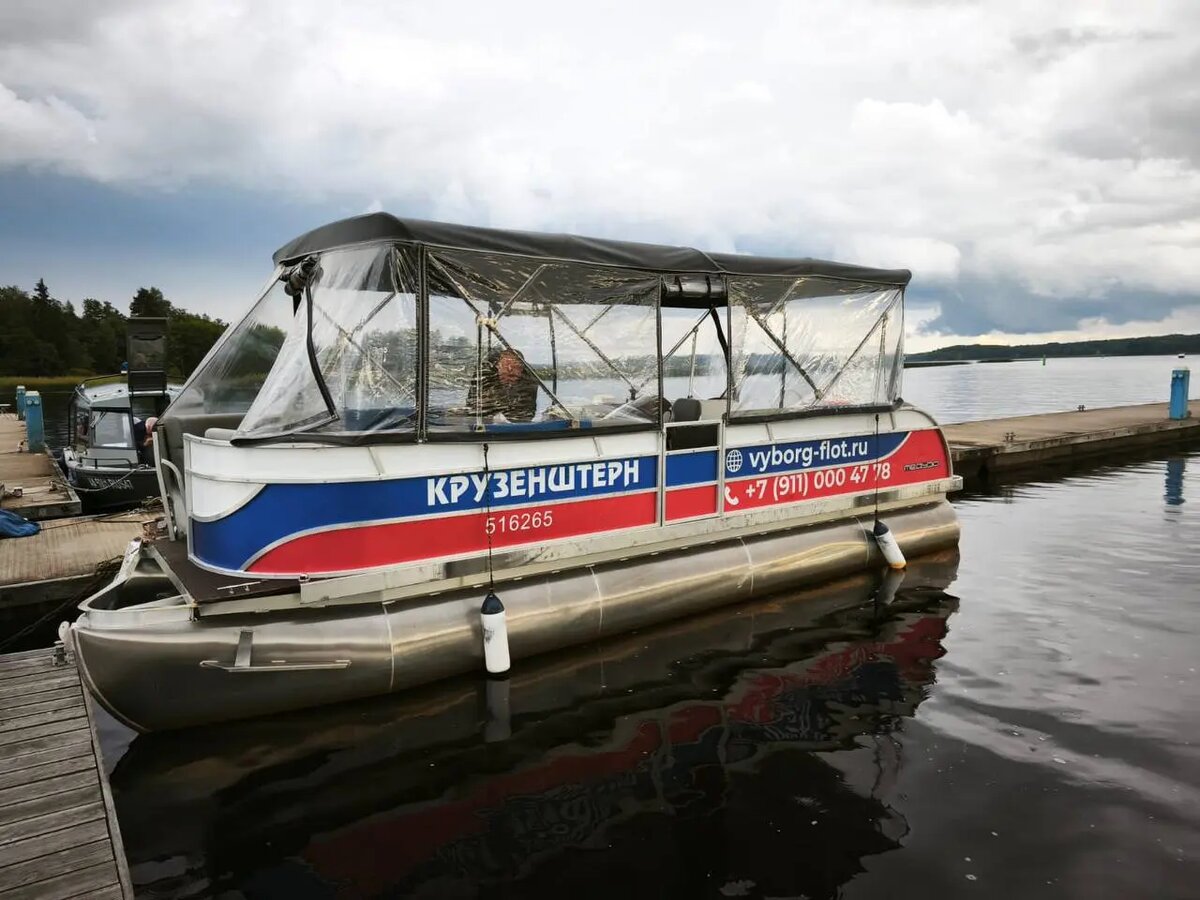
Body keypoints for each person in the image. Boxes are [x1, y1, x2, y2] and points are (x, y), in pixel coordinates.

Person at [467, 348, 538, 423]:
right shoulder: (485, 377)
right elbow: (473, 408)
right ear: (498, 367)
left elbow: (527, 413)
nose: (510, 369)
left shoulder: (529, 380)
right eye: (506, 365)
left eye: (515, 366)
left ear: (522, 369)